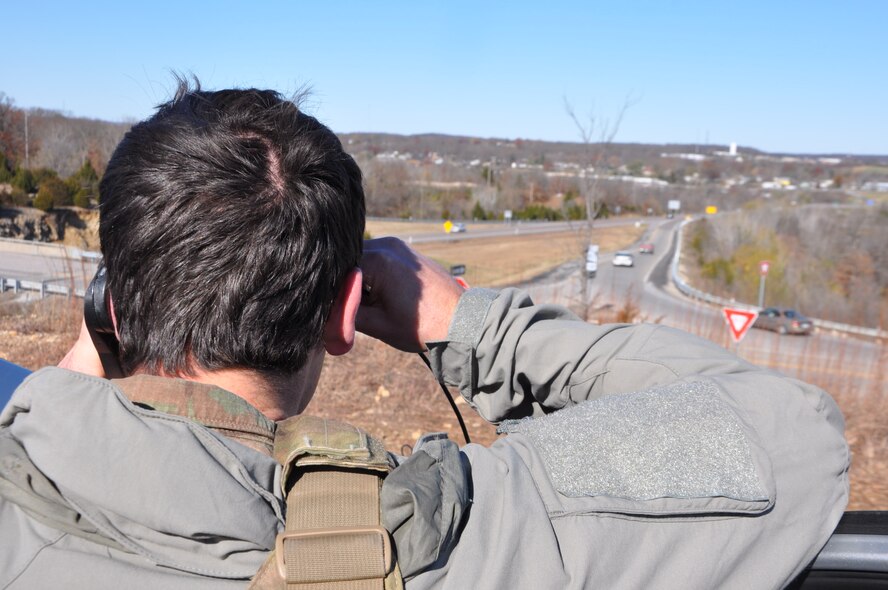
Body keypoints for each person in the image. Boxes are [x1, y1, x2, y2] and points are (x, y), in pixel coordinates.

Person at [0, 83, 849, 589]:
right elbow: (791, 436)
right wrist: (466, 324)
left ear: (111, 304)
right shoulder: (440, 539)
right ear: (343, 317)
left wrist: (75, 374)